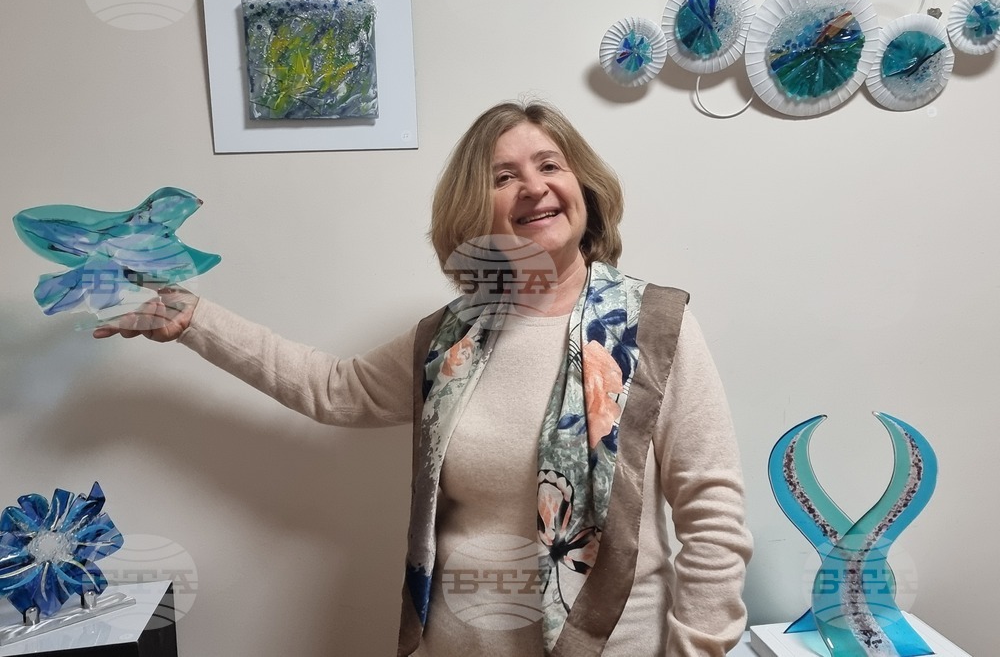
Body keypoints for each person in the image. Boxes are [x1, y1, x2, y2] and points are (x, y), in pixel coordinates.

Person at [95, 101, 753, 656]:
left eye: (550, 165)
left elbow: (712, 513)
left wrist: (697, 648)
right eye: (504, 177)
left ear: (584, 186)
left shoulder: (653, 327)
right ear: (476, 210)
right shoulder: (449, 339)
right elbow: (334, 390)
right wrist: (197, 320)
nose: (533, 186)